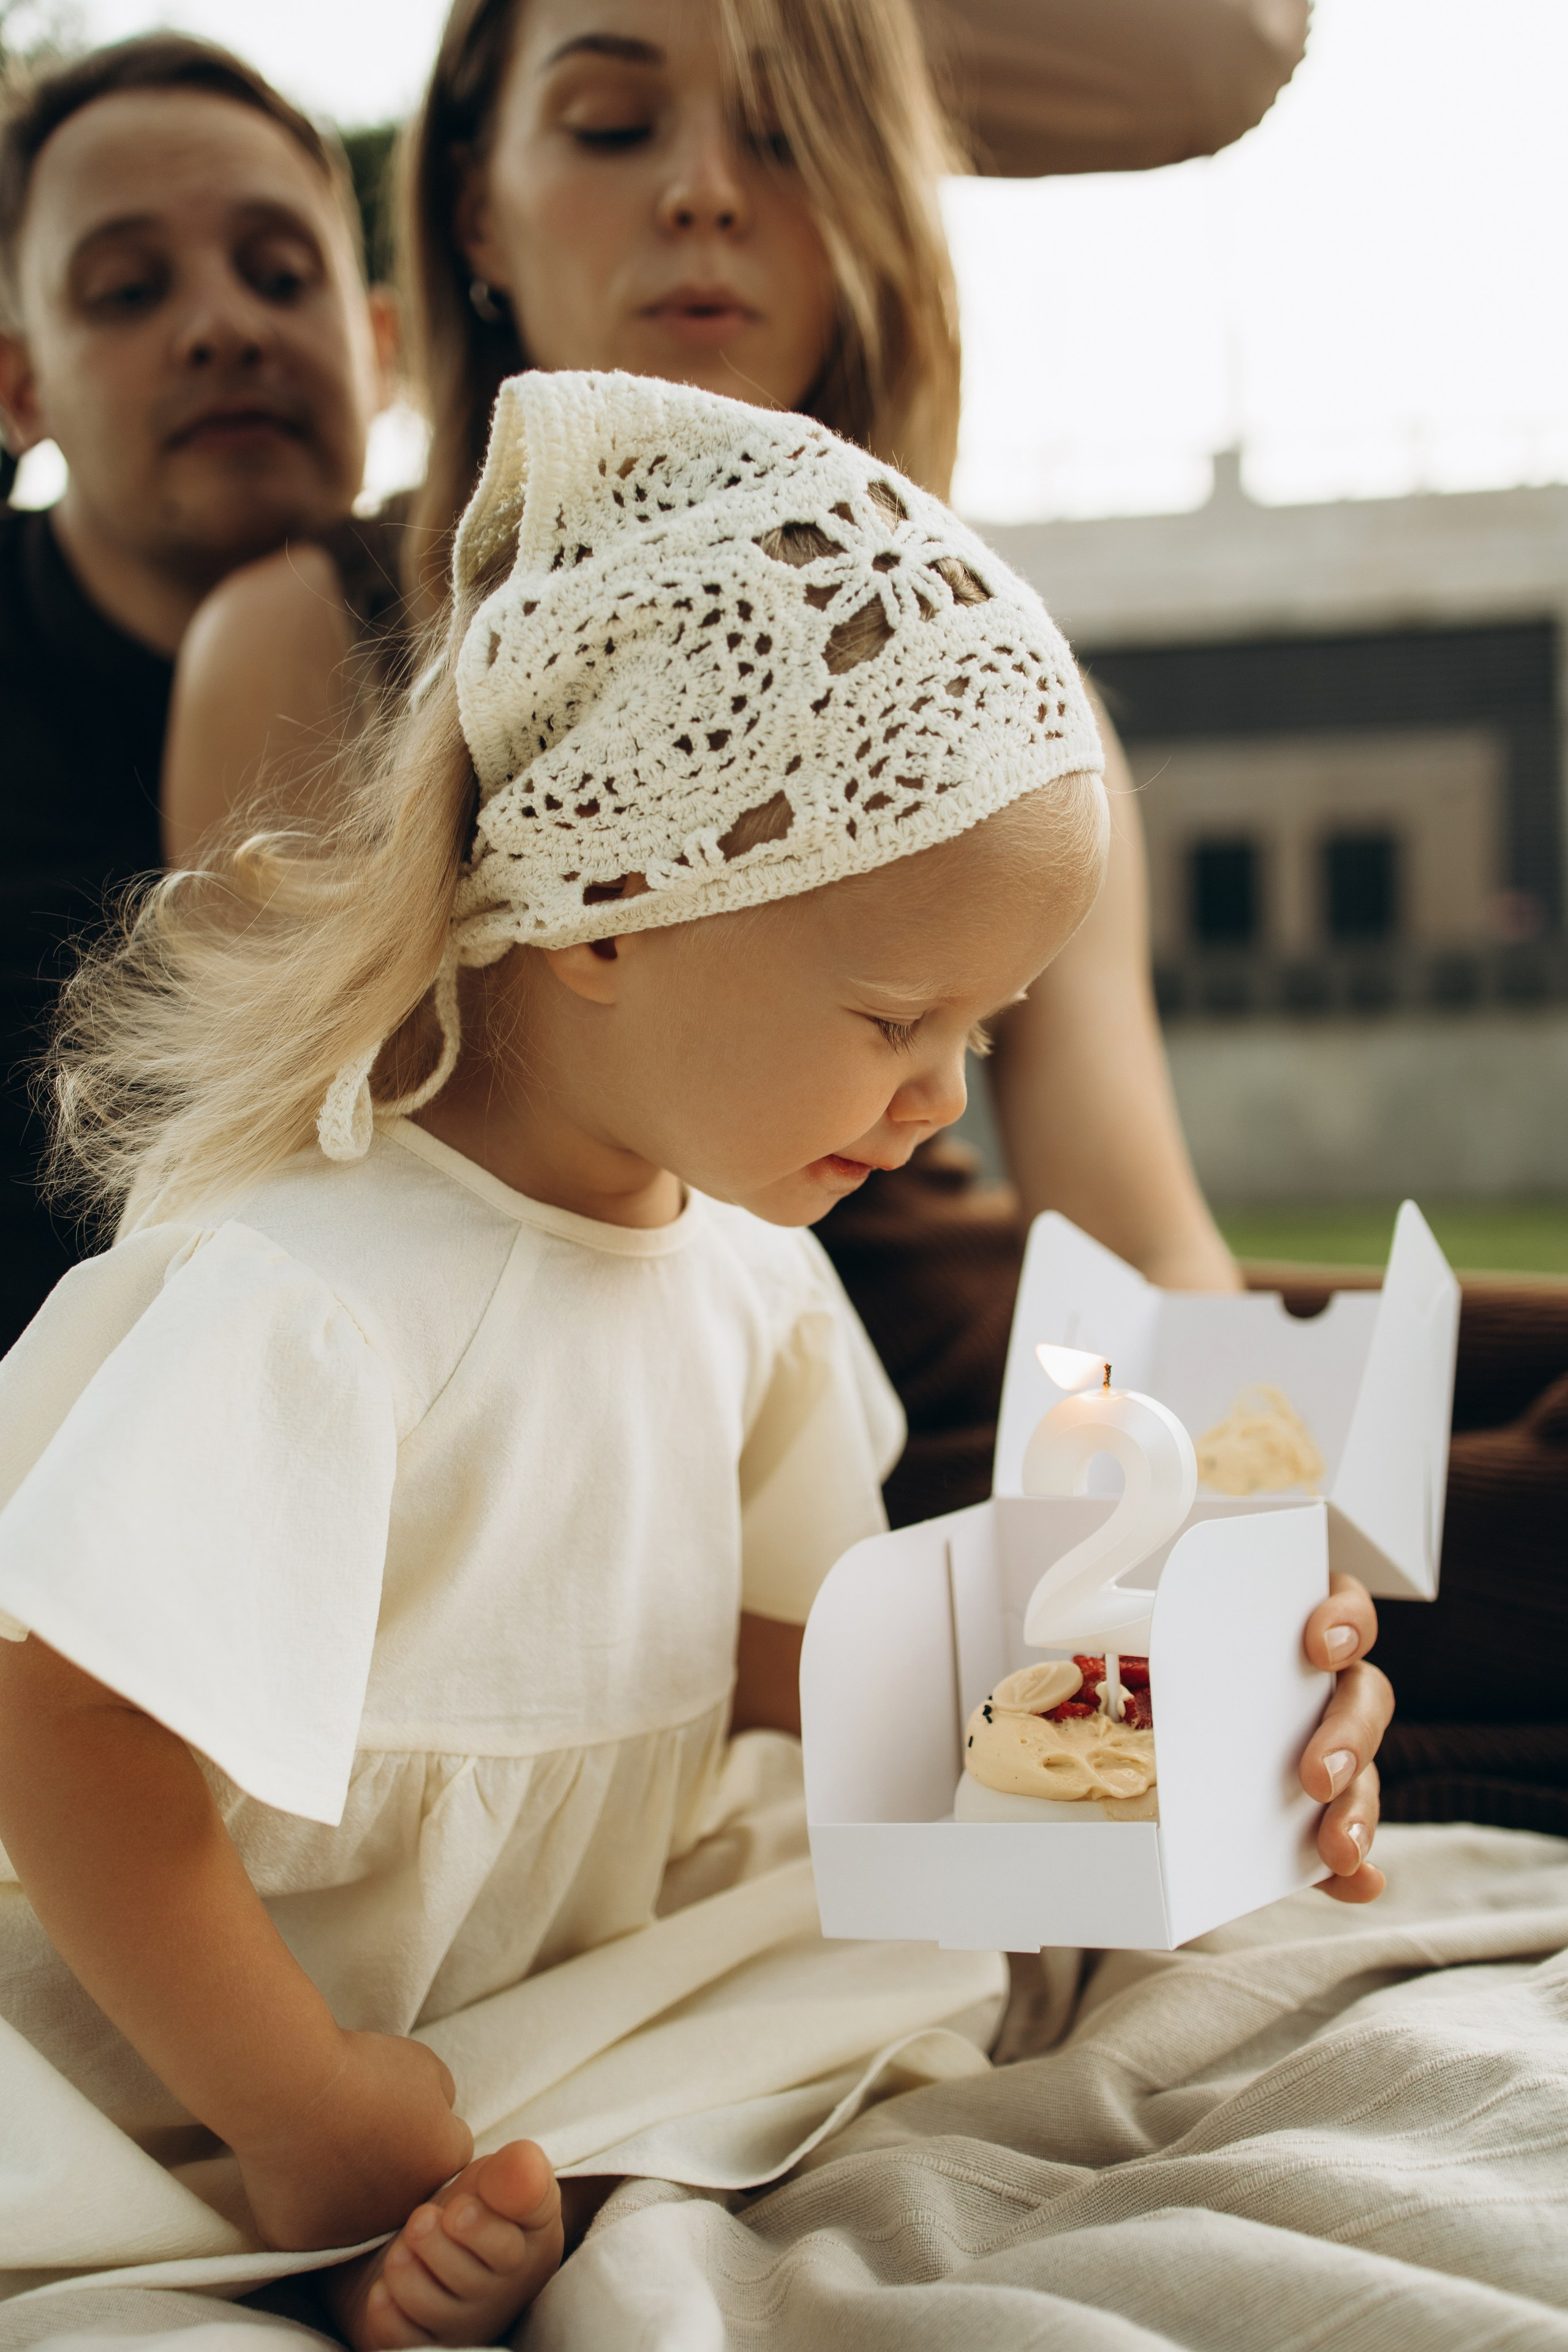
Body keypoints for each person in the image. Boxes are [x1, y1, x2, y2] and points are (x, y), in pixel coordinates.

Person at [0, 373, 1392, 2345]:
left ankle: (456, 2189)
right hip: (186, 2021)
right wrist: (299, 2105)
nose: (944, 1108)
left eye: (985, 1034)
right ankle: (311, 2207)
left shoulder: (742, 1271)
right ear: (610, 915)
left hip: (527, 1977)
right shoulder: (311, 1293)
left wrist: (1178, 1724)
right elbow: (69, 1736)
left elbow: (778, 1662)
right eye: (901, 1017)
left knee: (908, 1963)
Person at [162, 0, 1240, 1515]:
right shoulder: (301, 637)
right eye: (610, 126)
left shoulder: (1001, 693)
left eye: (790, 131)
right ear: (479, 205)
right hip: (570, 1456)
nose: (704, 192)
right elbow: (266, 1200)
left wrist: (1239, 1522)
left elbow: (1136, 1253)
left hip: (972, 1403)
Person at [0, 34, 399, 1351]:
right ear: (22, 384)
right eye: (124, 290)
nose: (224, 327)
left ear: (381, 345)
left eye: (281, 275)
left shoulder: (517, 641)